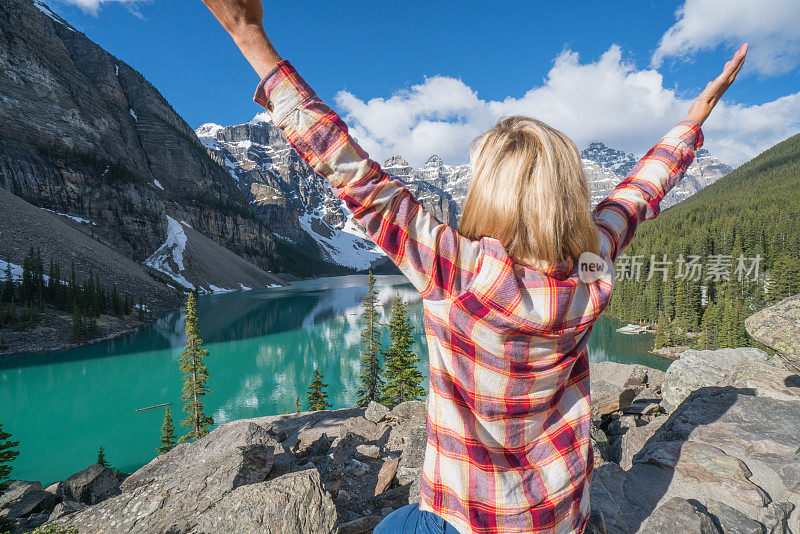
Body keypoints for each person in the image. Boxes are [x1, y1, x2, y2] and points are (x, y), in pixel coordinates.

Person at [200, 1, 747, 532]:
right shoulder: (590, 268)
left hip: (468, 519)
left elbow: (350, 172)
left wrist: (249, 35)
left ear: (490, 194)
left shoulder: (458, 272)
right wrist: (694, 120)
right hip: (560, 516)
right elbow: (639, 194)